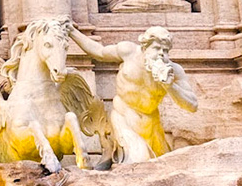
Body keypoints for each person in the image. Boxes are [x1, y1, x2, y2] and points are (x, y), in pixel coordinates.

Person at [66, 24, 198, 163]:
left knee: (160, 164)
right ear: (144, 47)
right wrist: (73, 32)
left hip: (151, 124)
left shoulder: (174, 71)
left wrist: (170, 86)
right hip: (124, 116)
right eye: (156, 48)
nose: (161, 54)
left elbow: (192, 105)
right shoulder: (128, 52)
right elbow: (99, 52)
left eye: (165, 50)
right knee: (139, 159)